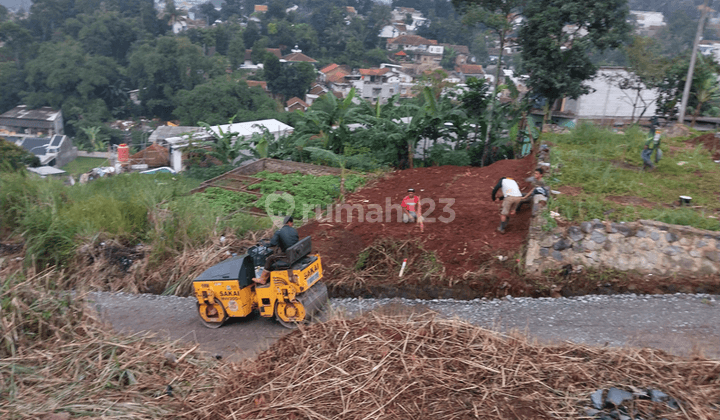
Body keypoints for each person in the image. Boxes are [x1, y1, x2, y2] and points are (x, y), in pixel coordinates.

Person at [254, 215, 299, 285]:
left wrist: (264, 244)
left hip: (287, 256)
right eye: (292, 223)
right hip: (296, 253)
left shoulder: (279, 232)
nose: (292, 224)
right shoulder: (294, 230)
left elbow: (273, 243)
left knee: (270, 259)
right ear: (289, 223)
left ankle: (262, 279)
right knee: (277, 254)